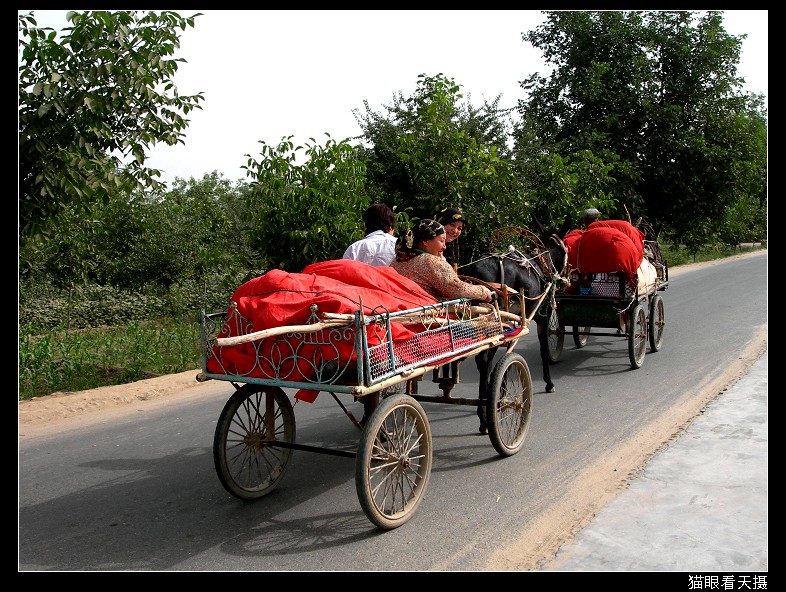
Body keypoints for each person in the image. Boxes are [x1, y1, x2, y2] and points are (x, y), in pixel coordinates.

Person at [390, 219, 493, 303]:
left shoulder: (398, 260)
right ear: (425, 241)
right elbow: (456, 289)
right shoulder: (431, 261)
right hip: (430, 319)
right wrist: (483, 291)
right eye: (441, 241)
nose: (444, 247)